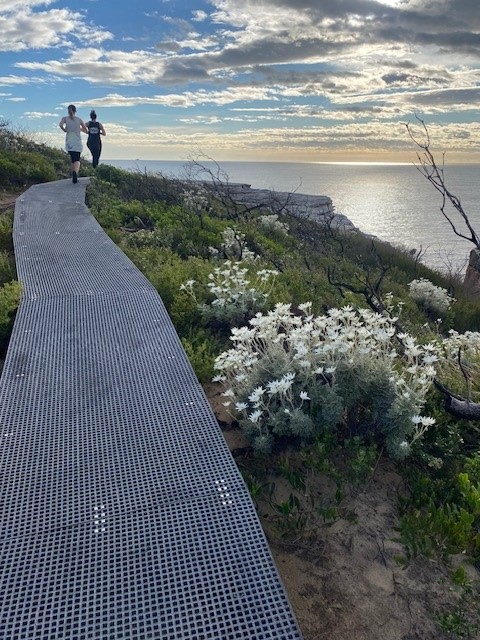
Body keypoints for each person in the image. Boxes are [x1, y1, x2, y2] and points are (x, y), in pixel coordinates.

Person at [59, 104, 88, 183]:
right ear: (75, 111)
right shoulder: (79, 119)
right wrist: (81, 129)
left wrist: (64, 129)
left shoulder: (65, 118)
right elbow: (86, 130)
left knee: (72, 159)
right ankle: (75, 172)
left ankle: (73, 174)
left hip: (69, 140)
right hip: (76, 140)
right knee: (77, 159)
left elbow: (60, 124)